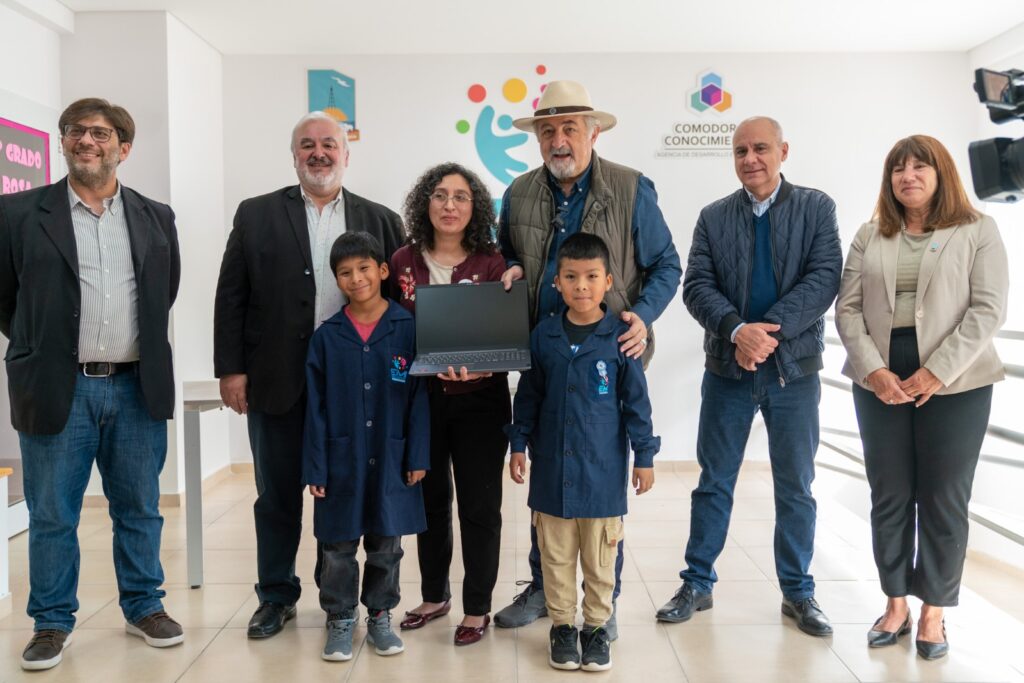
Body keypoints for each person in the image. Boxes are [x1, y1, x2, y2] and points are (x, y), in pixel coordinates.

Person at [0, 98, 182, 670]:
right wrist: (40, 345)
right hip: (58, 385)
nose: (87, 141)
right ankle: (51, 621)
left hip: (136, 386)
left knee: (140, 507)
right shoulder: (18, 214)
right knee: (53, 513)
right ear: (62, 141)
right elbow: (7, 299)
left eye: (101, 134)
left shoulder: (156, 216)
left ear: (123, 148)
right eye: (76, 131)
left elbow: (163, 293)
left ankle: (144, 606)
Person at [495, 79, 681, 636]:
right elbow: (506, 252)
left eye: (570, 128)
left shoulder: (631, 187)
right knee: (549, 484)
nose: (559, 140)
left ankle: (604, 603)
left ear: (592, 133)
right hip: (547, 358)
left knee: (600, 490)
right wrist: (510, 267)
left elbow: (666, 265)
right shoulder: (518, 193)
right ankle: (543, 589)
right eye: (548, 130)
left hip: (609, 357)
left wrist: (642, 316)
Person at [214, 111, 404, 639]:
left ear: (346, 153)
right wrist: (231, 368)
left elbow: (400, 302)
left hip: (354, 386)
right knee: (276, 495)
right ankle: (276, 596)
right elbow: (231, 295)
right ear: (294, 154)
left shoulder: (382, 219)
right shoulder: (255, 214)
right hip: (276, 379)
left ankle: (334, 597)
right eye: (307, 145)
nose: (318, 153)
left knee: (338, 491)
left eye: (328, 144)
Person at [657, 116, 842, 637]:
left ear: (784, 151)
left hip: (793, 372)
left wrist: (765, 334)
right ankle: (697, 583)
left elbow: (825, 277)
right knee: (713, 481)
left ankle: (798, 592)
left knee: (796, 485)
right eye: (740, 151)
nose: (750, 159)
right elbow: (696, 286)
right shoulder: (713, 217)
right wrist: (738, 331)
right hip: (728, 369)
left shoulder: (816, 207)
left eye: (761, 148)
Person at [835, 135, 1008, 660]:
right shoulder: (870, 234)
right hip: (881, 376)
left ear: (941, 173)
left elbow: (988, 308)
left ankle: (934, 612)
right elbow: (848, 309)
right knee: (889, 493)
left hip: (958, 380)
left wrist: (937, 370)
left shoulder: (977, 229)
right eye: (898, 169)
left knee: (943, 496)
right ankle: (895, 605)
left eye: (919, 167)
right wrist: (874, 370)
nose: (907, 176)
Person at [506, 233, 659, 671]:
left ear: (608, 281)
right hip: (552, 473)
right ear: (557, 283)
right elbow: (529, 397)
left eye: (592, 277)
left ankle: (595, 628)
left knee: (600, 559)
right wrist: (518, 444)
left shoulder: (621, 338)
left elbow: (636, 404)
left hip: (602, 476)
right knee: (554, 558)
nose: (581, 286)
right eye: (571, 277)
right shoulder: (544, 336)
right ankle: (561, 627)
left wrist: (645, 457)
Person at [390, 163, 511, 646]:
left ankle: (477, 607)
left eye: (461, 197)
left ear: (474, 207)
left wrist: (485, 368)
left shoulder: (493, 264)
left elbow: (506, 335)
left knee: (480, 506)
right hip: (421, 402)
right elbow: (390, 328)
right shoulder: (401, 261)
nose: (449, 205)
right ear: (425, 203)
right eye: (440, 195)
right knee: (429, 501)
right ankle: (434, 596)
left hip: (481, 403)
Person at [303, 232, 429, 662]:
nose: (356, 278)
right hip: (341, 459)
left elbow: (419, 399)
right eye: (345, 272)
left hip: (393, 457)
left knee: (387, 545)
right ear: (336, 280)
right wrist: (316, 467)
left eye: (363, 269)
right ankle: (340, 616)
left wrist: (417, 456)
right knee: (337, 546)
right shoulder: (327, 337)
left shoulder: (407, 328)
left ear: (383, 270)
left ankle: (380, 614)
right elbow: (315, 409)